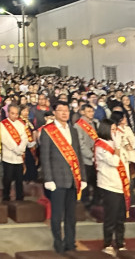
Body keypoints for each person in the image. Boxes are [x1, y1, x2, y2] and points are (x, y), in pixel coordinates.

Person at [39, 101, 85, 254]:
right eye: (61, 110)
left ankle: (70, 242)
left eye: (67, 110)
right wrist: (48, 179)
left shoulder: (73, 130)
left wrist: (82, 177)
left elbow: (78, 155)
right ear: (55, 113)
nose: (65, 113)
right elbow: (44, 157)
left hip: (73, 178)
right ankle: (58, 243)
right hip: (56, 180)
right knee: (57, 215)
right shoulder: (48, 131)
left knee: (71, 215)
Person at [94, 119, 129, 254]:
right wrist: (117, 147)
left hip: (121, 184)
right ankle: (107, 243)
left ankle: (120, 242)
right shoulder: (101, 145)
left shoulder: (117, 143)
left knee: (121, 217)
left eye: (116, 129)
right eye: (112, 129)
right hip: (109, 184)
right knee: (111, 216)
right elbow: (114, 161)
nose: (115, 132)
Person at [0, 102, 28, 202]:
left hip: (19, 157)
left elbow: (25, 138)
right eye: (12, 113)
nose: (15, 116)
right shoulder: (3, 124)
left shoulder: (21, 124)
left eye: (16, 114)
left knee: (19, 180)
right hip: (8, 156)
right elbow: (5, 139)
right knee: (7, 179)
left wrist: (20, 149)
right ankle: (6, 197)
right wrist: (16, 149)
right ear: (8, 113)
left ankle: (20, 197)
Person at [74, 103, 98, 205]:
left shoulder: (95, 123)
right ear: (82, 112)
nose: (91, 113)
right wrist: (91, 155)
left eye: (92, 111)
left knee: (96, 182)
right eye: (88, 111)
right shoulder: (78, 125)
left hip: (96, 157)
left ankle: (95, 202)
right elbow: (80, 144)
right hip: (85, 159)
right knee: (86, 182)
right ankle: (85, 202)